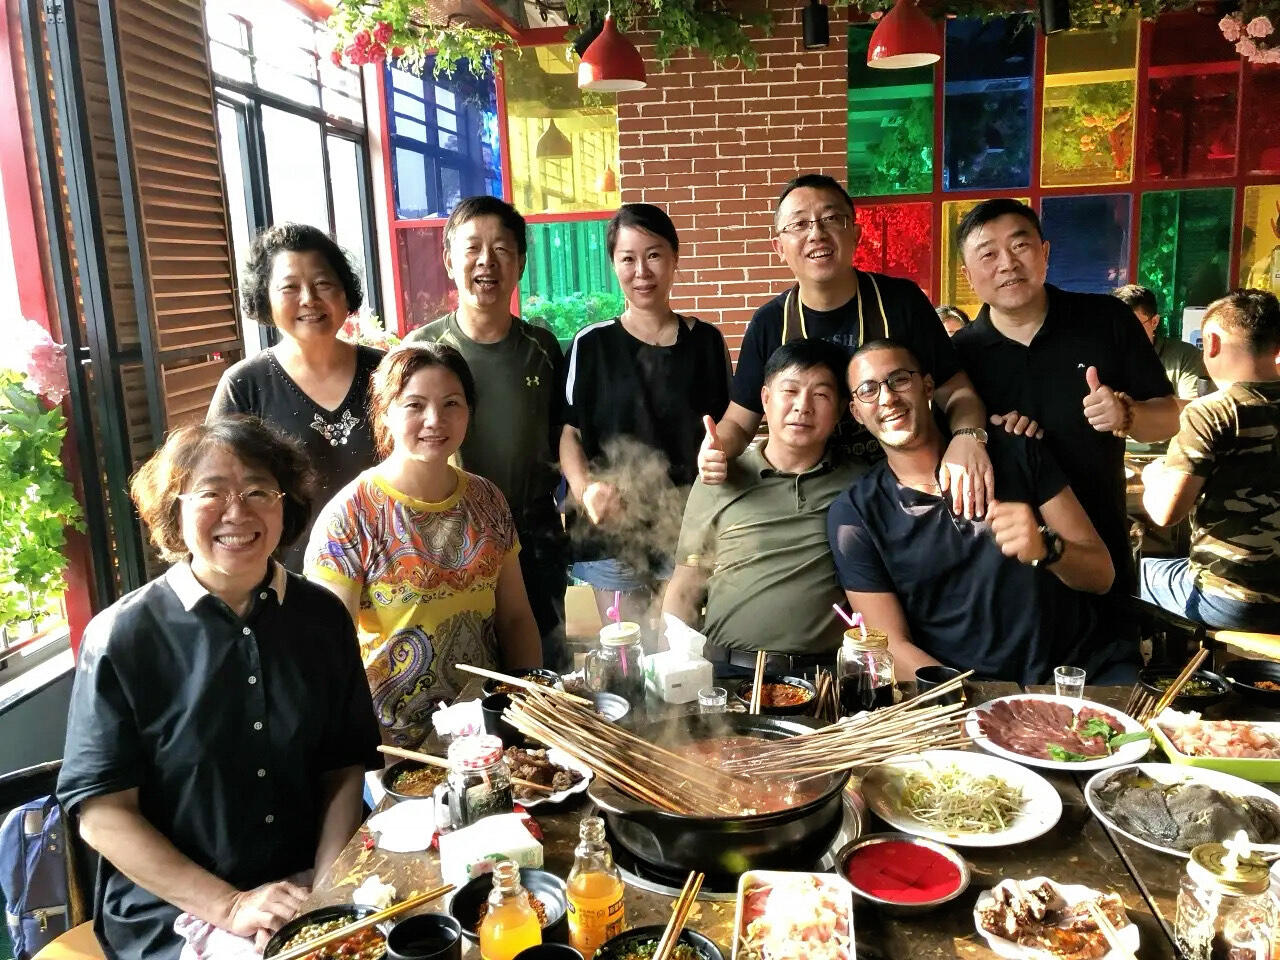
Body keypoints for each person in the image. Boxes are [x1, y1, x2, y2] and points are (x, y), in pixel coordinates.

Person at [57, 417, 380, 960]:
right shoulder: (124, 636)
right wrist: (231, 907)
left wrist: (326, 897)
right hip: (178, 906)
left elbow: (344, 768)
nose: (237, 513)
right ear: (174, 510)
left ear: (285, 506)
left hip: (307, 882)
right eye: (211, 493)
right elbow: (103, 815)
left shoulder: (322, 616)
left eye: (258, 491)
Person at [827, 339, 1126, 685]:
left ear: (927, 387)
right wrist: (973, 701)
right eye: (868, 390)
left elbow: (1101, 576)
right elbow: (889, 643)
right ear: (856, 412)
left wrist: (1046, 548)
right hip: (964, 694)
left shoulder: (1014, 451)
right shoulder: (856, 513)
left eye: (899, 380)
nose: (887, 397)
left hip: (1076, 677)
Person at [698, 174, 993, 519]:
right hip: (819, 496)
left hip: (910, 485)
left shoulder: (901, 302)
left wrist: (967, 436)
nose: (816, 233)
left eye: (830, 218)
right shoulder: (769, 323)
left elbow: (958, 393)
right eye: (799, 224)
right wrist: (717, 449)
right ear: (778, 247)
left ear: (855, 233)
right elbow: (739, 421)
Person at [306, 343, 542, 748]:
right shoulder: (351, 515)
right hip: (393, 744)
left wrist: (526, 712)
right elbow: (329, 655)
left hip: (488, 736)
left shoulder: (488, 500)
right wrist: (374, 751)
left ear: (469, 411)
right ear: (385, 412)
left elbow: (516, 619)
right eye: (415, 405)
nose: (435, 420)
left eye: (452, 404)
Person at [951, 198, 1179, 608]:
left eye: (1020, 245)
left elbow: (1169, 418)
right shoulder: (959, 357)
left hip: (1102, 550)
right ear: (968, 276)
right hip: (1005, 574)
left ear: (1045, 252)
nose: (1007, 264)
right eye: (988, 254)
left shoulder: (1105, 319)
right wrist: (988, 437)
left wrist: (1127, 414)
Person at [405, 197, 569, 669]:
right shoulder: (422, 349)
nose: (486, 261)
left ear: (520, 262)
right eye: (472, 248)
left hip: (534, 532)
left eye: (501, 249)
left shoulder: (542, 348)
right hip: (448, 534)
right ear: (449, 260)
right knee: (460, 666)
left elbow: (563, 436)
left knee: (544, 668)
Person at [560, 204, 732, 635]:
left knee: (680, 652)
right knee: (627, 652)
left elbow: (729, 428)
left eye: (654, 255)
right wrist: (586, 489)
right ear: (613, 264)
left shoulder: (707, 342)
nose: (642, 271)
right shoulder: (591, 344)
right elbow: (569, 433)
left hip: (688, 529)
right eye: (628, 258)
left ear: (674, 258)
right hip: (611, 531)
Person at [664, 339, 864, 670]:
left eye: (820, 395)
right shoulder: (720, 476)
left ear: (842, 409)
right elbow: (686, 586)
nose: (803, 406)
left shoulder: (860, 484)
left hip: (824, 675)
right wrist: (671, 669)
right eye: (790, 391)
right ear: (766, 399)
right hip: (727, 670)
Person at [208, 224, 382, 571]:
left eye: (323, 284)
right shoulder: (244, 385)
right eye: (289, 287)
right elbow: (215, 489)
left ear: (345, 293)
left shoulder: (386, 372)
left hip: (393, 574)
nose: (309, 299)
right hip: (288, 581)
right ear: (265, 298)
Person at [1140, 289, 1280, 632]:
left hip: (1234, 600)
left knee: (1130, 572)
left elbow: (1165, 513)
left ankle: (1159, 662)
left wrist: (1153, 477)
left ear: (1212, 343)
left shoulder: (1213, 411)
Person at [1113, 283, 1212, 455]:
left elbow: (1194, 410)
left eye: (1132, 326)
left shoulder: (1184, 355)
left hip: (1164, 453)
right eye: (1116, 326)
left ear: (1154, 322)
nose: (1124, 333)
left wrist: (1128, 410)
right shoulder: (1104, 357)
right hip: (1114, 452)